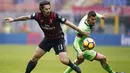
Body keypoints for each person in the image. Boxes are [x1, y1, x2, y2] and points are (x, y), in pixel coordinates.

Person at [5, 1, 89, 73]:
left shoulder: (55, 16)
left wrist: (81, 31)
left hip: (58, 39)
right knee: (34, 58)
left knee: (63, 60)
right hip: (48, 39)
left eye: (49, 8)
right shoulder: (37, 16)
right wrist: (13, 20)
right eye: (46, 9)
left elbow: (69, 23)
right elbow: (26, 17)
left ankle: (73, 66)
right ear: (41, 9)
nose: (48, 10)